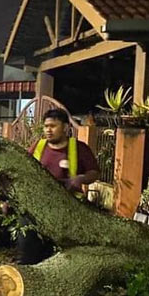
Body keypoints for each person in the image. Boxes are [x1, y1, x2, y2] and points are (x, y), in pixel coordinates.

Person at [18, 108, 100, 264]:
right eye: (46, 126)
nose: (48, 130)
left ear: (65, 128)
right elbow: (22, 170)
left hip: (66, 210)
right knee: (27, 251)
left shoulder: (79, 149)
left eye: (53, 126)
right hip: (35, 209)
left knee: (57, 257)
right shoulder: (38, 146)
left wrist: (81, 178)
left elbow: (95, 173)